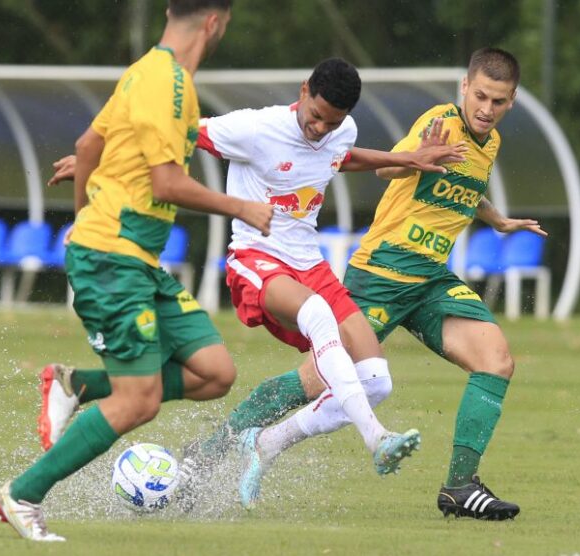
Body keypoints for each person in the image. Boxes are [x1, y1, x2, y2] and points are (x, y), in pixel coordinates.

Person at [40, 58, 468, 509]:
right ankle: (377, 439)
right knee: (321, 318)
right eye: (315, 116)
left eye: (332, 122)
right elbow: (174, 137)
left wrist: (405, 158)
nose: (320, 128)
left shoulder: (343, 131)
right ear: (303, 91)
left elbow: (338, 157)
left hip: (310, 265)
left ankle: (265, 443)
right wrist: (102, 158)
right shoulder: (252, 128)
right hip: (256, 259)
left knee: (376, 381)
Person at [184, 47, 546, 520]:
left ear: (511, 102)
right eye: (480, 96)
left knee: (496, 360)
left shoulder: (489, 143)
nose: (486, 108)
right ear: (464, 87)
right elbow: (390, 167)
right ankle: (214, 447)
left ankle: (459, 486)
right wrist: (415, 159)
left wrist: (496, 220)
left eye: (498, 102)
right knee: (317, 380)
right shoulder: (441, 121)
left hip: (431, 279)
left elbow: (466, 187)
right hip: (381, 273)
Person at [0, 0, 275, 542]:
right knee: (137, 401)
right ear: (215, 22)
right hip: (114, 260)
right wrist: (241, 207)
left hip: (134, 260)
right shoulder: (169, 84)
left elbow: (87, 147)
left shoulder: (145, 70)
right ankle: (22, 494)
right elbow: (167, 183)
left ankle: (75, 383)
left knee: (214, 371)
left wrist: (84, 218)